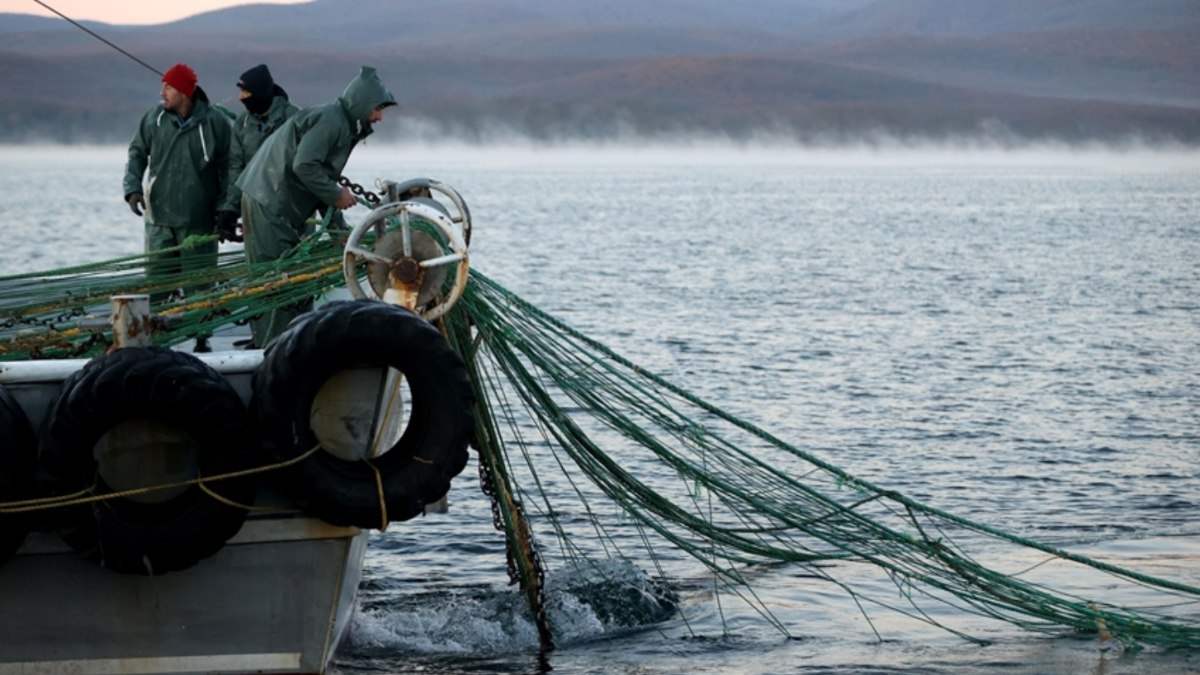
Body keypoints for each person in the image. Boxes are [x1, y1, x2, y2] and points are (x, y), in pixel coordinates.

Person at [237, 65, 396, 348]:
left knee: (288, 279)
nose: (380, 117)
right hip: (269, 200)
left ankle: (286, 345)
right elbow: (305, 166)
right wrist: (336, 195)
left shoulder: (343, 125)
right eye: (377, 108)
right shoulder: (332, 121)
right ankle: (272, 350)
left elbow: (321, 174)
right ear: (361, 104)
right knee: (278, 281)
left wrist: (339, 233)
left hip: (277, 202)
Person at [123, 62, 231, 352]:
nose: (162, 92)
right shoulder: (154, 119)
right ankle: (155, 341)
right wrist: (132, 188)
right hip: (158, 218)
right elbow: (136, 153)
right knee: (157, 284)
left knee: (199, 284)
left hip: (198, 219)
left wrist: (226, 208)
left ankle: (201, 338)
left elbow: (230, 166)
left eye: (168, 87)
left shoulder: (215, 123)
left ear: (185, 91)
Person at [215, 64, 299, 243]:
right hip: (255, 212)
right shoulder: (242, 123)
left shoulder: (293, 119)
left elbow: (309, 166)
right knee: (260, 268)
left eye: (245, 92)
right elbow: (237, 169)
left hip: (292, 213)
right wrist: (230, 210)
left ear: (259, 92)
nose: (240, 98)